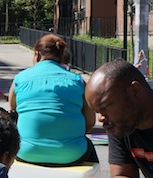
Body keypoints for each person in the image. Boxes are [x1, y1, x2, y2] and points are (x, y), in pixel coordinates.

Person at [8, 34, 96, 166]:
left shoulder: (20, 79)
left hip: (26, 152)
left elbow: (13, 111)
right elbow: (90, 123)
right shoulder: (78, 81)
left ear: (37, 54)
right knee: (88, 146)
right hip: (72, 154)